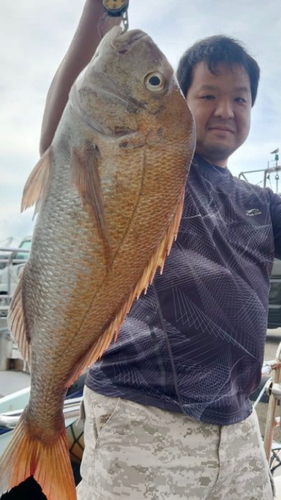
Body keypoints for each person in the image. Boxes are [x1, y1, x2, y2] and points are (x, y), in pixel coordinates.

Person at [40, 1, 281, 499]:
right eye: (208, 95)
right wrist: (101, 14)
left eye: (240, 99)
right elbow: (68, 128)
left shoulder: (260, 204)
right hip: (141, 419)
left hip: (237, 429)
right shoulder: (157, 168)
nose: (224, 111)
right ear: (181, 103)